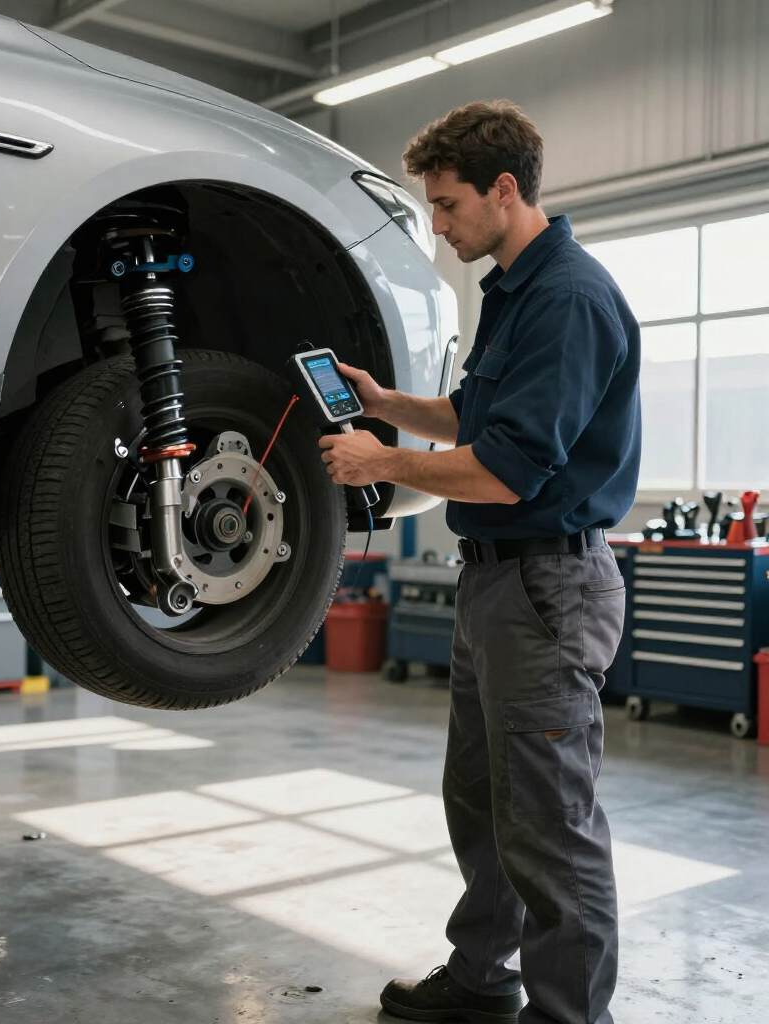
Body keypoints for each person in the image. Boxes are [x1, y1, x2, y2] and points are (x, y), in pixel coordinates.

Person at [320, 100, 641, 1024]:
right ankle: (483, 976)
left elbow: (504, 472)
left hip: (547, 584)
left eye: (450, 206)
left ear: (505, 190)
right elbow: (475, 421)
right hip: (500, 583)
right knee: (483, 796)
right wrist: (387, 405)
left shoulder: (569, 299)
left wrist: (380, 463)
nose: (441, 225)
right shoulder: (514, 290)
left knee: (548, 819)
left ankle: (571, 1014)